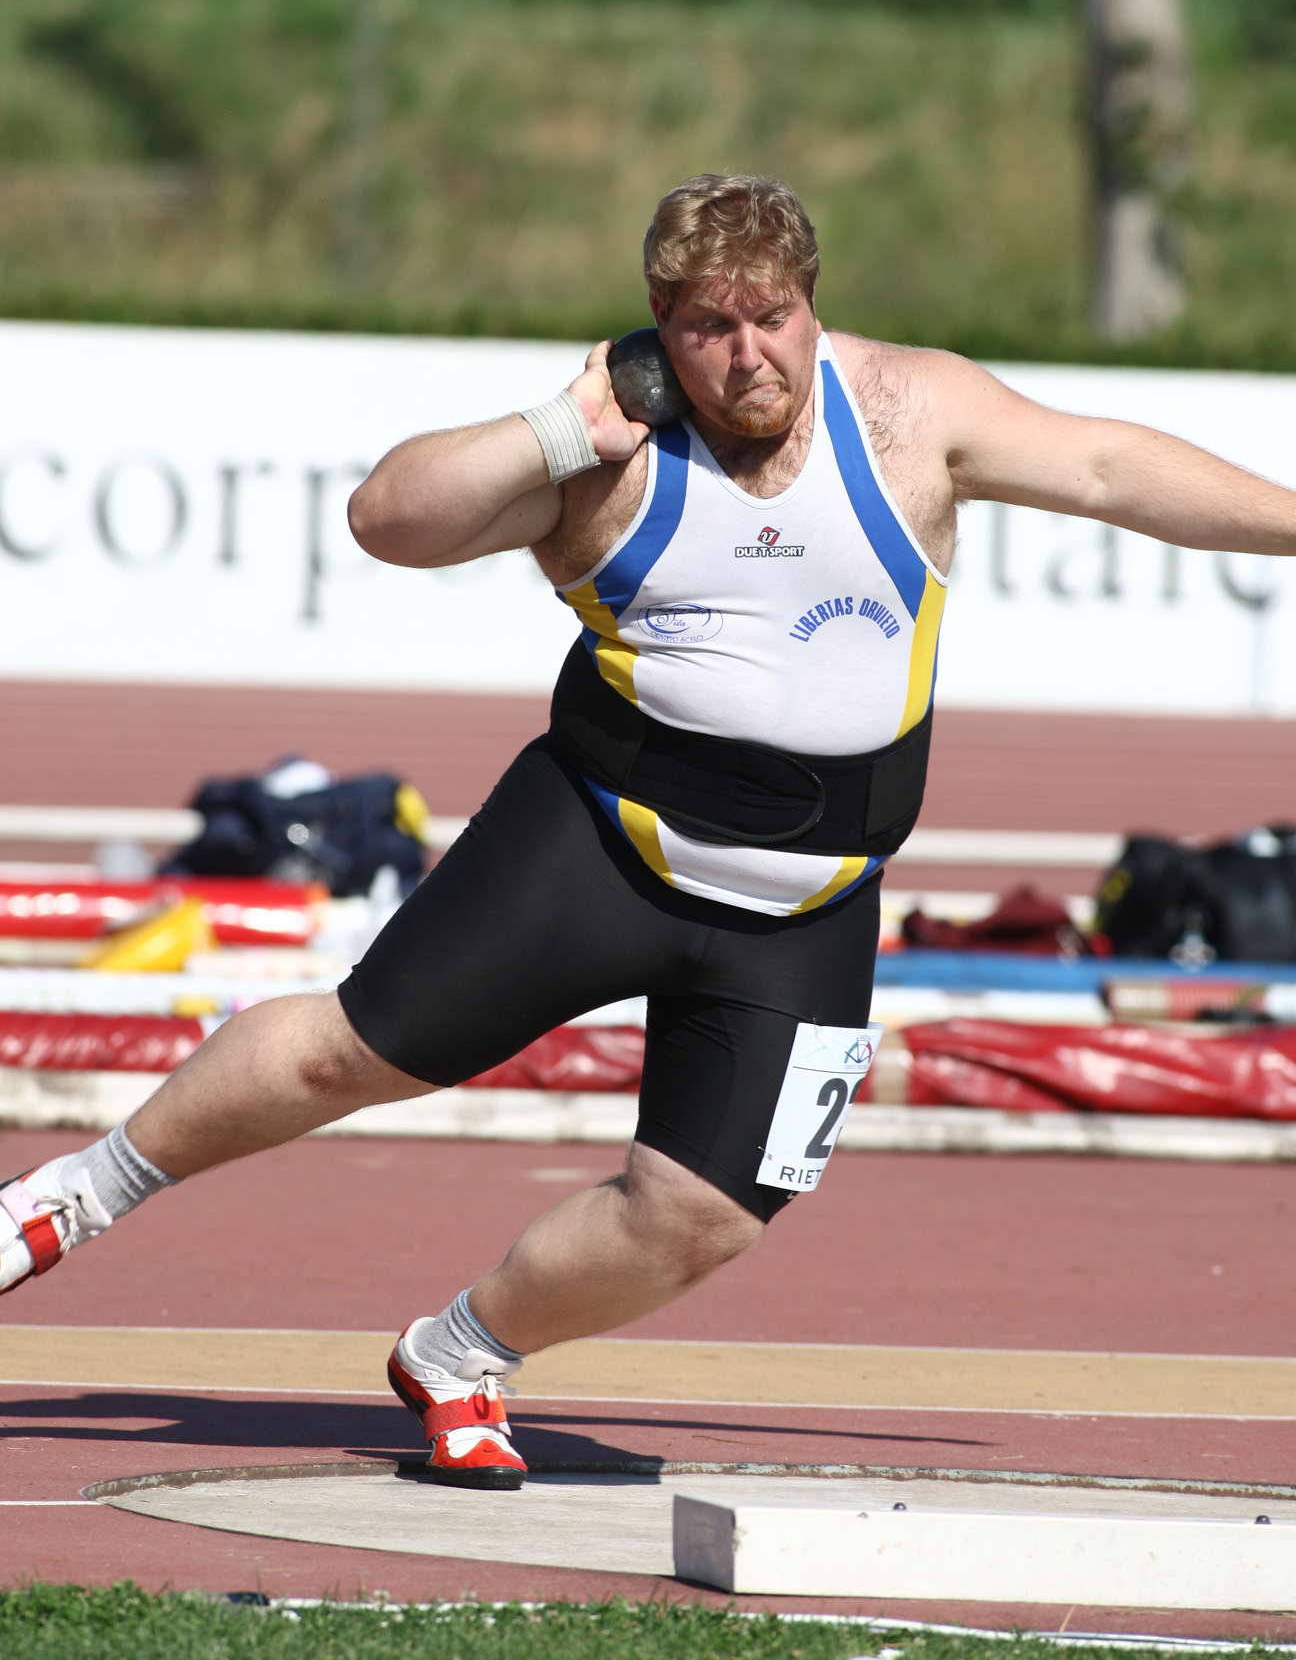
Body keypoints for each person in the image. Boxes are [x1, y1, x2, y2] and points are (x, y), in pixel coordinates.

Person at [4, 173, 1295, 1490]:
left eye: (773, 319)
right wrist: (560, 425)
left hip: (807, 902)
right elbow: (387, 522)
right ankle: (68, 1199)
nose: (750, 357)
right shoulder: (607, 457)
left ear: (812, 305)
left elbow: (1110, 467)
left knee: (704, 1217)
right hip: (596, 850)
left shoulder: (910, 412)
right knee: (352, 1054)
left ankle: (460, 1355)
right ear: (661, 329)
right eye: (711, 329)